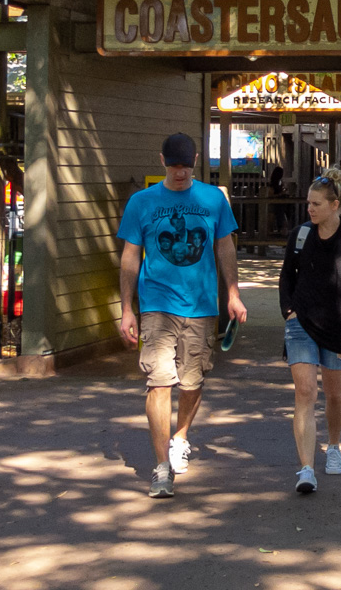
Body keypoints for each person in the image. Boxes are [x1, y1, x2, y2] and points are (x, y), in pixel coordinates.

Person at [118, 133, 248, 500]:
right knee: (159, 381)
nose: (180, 173)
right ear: (162, 161)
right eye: (174, 166)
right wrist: (127, 308)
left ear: (195, 160)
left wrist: (233, 295)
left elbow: (225, 247)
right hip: (157, 304)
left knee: (191, 382)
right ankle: (161, 468)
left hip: (201, 305)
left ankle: (180, 436)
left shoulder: (212, 200)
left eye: (185, 166)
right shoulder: (141, 202)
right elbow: (130, 256)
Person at [279, 169, 341, 495]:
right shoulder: (300, 236)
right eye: (308, 203)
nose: (310, 209)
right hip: (301, 324)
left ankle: (333, 445)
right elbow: (285, 279)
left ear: (335, 205)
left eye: (316, 203)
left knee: (335, 394)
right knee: (305, 392)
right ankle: (306, 469)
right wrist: (288, 313)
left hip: (339, 328)